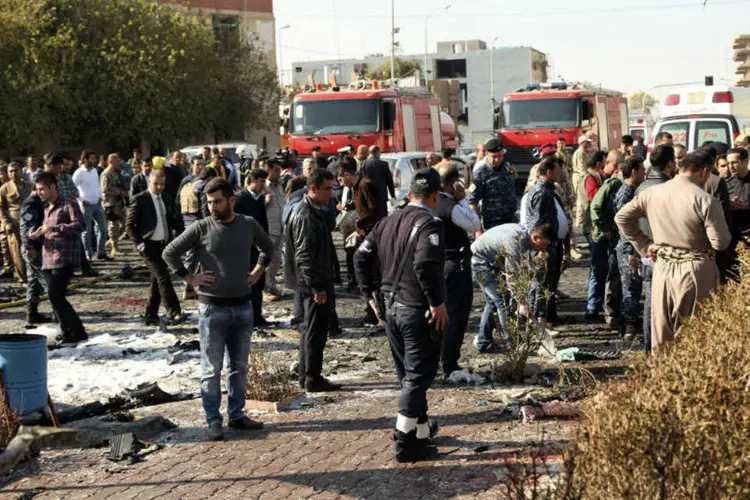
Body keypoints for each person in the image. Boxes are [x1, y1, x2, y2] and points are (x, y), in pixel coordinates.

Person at [163, 177, 273, 441]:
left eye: (218, 201)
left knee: (238, 366)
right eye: (209, 202)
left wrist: (258, 271)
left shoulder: (247, 225)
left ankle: (237, 415)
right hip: (212, 310)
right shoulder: (201, 228)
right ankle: (213, 420)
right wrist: (190, 278)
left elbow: (268, 247)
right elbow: (169, 253)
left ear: (231, 200)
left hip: (243, 307)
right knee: (211, 369)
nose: (212, 207)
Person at [354, 167, 447, 463]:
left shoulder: (387, 221)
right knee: (418, 377)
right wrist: (437, 304)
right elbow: (425, 265)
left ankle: (419, 439)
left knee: (409, 377)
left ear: (409, 195)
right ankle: (404, 438)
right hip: (416, 310)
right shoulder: (429, 223)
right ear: (435, 196)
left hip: (391, 307)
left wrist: (369, 295)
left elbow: (360, 256)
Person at [616, 150, 731, 351]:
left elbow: (622, 218)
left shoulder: (651, 193)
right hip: (695, 269)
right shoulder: (704, 200)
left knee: (662, 334)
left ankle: (662, 379)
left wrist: (645, 245)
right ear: (704, 171)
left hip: (663, 266)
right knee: (694, 336)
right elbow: (720, 243)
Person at [285, 169, 341, 393]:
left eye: (332, 188)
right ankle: (311, 377)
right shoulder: (305, 214)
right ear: (313, 189)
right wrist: (316, 286)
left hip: (314, 280)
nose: (331, 193)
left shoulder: (314, 210)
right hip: (312, 283)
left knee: (312, 330)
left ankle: (307, 375)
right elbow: (304, 255)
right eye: (327, 188)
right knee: (314, 331)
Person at [471, 223, 554, 351]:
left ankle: (483, 342)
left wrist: (539, 262)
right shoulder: (515, 242)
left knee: (494, 303)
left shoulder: (526, 240)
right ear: (536, 237)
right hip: (481, 263)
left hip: (493, 263)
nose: (544, 248)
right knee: (503, 302)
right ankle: (514, 343)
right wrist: (522, 302)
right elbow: (512, 274)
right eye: (544, 244)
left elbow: (530, 271)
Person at [29, 170, 87, 346]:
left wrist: (56, 228)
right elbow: (47, 231)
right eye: (37, 189)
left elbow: (79, 225)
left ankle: (75, 331)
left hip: (64, 257)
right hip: (48, 258)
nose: (39, 193)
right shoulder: (47, 208)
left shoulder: (68, 203)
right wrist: (36, 234)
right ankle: (72, 331)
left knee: (56, 295)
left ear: (52, 187)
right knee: (55, 297)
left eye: (41, 189)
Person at [436, 163, 481, 372]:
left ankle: (438, 359)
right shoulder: (450, 205)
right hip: (455, 265)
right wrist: (463, 200)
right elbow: (474, 225)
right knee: (456, 315)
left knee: (439, 313)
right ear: (453, 184)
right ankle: (449, 363)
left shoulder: (429, 203)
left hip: (436, 264)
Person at [126, 169, 184, 326]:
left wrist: (183, 234)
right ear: (149, 182)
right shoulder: (140, 199)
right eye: (156, 184)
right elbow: (130, 225)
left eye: (162, 184)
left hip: (164, 245)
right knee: (163, 277)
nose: (159, 187)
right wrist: (139, 243)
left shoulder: (165, 198)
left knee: (156, 280)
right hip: (148, 245)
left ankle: (150, 315)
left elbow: (174, 219)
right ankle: (174, 311)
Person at [634, 144, 677, 351]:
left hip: (647, 253)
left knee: (651, 303)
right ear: (670, 164)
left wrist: (640, 246)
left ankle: (651, 348)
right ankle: (657, 349)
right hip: (663, 253)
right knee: (660, 305)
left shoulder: (641, 187)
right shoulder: (668, 189)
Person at [523, 156, 570, 324]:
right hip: (544, 247)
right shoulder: (541, 193)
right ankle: (539, 321)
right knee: (541, 284)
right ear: (549, 172)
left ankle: (550, 316)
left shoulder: (549, 191)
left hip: (552, 244)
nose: (561, 173)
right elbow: (537, 225)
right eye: (558, 169)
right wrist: (542, 249)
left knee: (550, 284)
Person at [588, 150, 624, 327]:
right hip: (601, 237)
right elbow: (595, 206)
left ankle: (605, 309)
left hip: (609, 236)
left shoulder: (613, 182)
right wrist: (605, 229)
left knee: (607, 273)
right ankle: (594, 307)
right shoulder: (610, 183)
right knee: (601, 272)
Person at [613, 158, 646, 341]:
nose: (644, 173)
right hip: (628, 249)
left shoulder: (631, 191)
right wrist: (632, 252)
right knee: (631, 289)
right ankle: (630, 328)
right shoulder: (626, 193)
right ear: (634, 172)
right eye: (642, 170)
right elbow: (625, 225)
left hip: (630, 248)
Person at [235, 169, 272, 327]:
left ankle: (257, 315)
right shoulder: (239, 199)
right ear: (252, 180)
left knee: (258, 281)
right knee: (244, 282)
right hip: (244, 247)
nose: (264, 185)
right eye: (261, 181)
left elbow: (263, 223)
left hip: (258, 247)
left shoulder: (260, 199)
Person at [20, 184, 52, 328]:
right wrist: (28, 247)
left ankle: (31, 315)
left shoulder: (40, 202)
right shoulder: (31, 203)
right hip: (33, 249)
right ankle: (59, 313)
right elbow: (25, 226)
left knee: (34, 281)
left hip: (38, 246)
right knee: (47, 280)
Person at [468, 138, 517, 230]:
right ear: (486, 154)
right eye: (494, 157)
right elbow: (472, 201)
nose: (498, 159)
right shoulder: (480, 172)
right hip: (493, 222)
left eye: (500, 155)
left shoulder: (506, 166)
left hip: (511, 218)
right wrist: (477, 227)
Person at [176, 158, 206, 300]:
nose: (199, 167)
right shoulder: (189, 181)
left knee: (196, 254)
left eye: (202, 165)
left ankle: (193, 286)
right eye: (197, 164)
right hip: (193, 220)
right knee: (193, 254)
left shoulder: (191, 181)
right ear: (192, 166)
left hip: (191, 220)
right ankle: (188, 287)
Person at [72, 150, 110, 262]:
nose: (94, 160)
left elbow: (97, 186)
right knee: (87, 231)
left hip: (97, 204)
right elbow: (73, 189)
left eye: (94, 158)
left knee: (103, 229)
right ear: (85, 159)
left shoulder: (94, 170)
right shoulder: (78, 172)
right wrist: (81, 200)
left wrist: (100, 196)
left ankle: (101, 253)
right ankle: (88, 255)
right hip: (86, 205)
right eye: (92, 158)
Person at [0, 161, 32, 283]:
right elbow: (1, 208)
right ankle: (23, 279)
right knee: (17, 251)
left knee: (32, 249)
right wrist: (7, 223)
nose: (13, 173)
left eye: (16, 170)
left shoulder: (29, 185)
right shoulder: (4, 188)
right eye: (10, 171)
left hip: (30, 221)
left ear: (21, 171)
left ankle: (36, 277)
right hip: (14, 222)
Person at [726, 147, 750, 279]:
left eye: (734, 162)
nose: (731, 167)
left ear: (745, 161)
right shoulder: (726, 184)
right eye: (729, 163)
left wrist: (747, 206)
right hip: (733, 236)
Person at [263, 159, 285, 299]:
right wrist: (264, 202)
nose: (279, 173)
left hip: (280, 228)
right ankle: (265, 289)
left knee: (277, 260)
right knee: (266, 260)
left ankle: (271, 285)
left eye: (279, 170)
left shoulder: (279, 186)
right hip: (268, 229)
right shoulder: (263, 187)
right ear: (269, 170)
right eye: (276, 170)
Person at [100, 154, 128, 256]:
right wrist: (119, 192)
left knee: (125, 224)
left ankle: (111, 242)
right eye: (117, 161)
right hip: (110, 203)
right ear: (111, 161)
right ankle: (114, 247)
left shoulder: (117, 172)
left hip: (119, 203)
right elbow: (104, 190)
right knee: (113, 225)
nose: (119, 163)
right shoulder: (106, 174)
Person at [359, 145, 395, 216]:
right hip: (381, 198)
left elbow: (359, 180)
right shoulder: (384, 164)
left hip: (368, 198)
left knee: (371, 219)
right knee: (383, 219)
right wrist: (392, 195)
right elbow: (389, 181)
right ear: (377, 152)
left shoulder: (362, 164)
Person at [572, 135, 594, 230]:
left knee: (581, 200)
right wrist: (588, 178)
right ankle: (579, 223)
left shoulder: (583, 152)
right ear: (582, 143)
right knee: (581, 200)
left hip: (580, 176)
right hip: (579, 177)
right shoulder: (580, 153)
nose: (589, 144)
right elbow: (582, 168)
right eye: (587, 142)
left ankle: (580, 222)